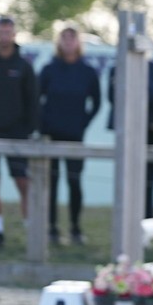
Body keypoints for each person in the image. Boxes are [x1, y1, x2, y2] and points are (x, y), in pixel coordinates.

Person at [38, 27, 101, 245]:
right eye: (64, 38)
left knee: (74, 182)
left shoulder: (87, 71)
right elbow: (37, 98)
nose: (68, 42)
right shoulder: (49, 69)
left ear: (78, 42)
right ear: (59, 42)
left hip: (75, 136)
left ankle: (75, 228)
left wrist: (83, 122)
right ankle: (52, 229)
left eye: (72, 38)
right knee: (52, 183)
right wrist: (44, 124)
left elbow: (96, 102)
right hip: (51, 135)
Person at [0, 16, 39, 253]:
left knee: (24, 184)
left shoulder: (23, 65)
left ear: (14, 34)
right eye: (1, 31)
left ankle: (31, 233)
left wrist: (28, 130)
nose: (4, 35)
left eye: (8, 31)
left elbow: (32, 101)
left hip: (17, 134)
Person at [107, 58, 153, 219]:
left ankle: (146, 219)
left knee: (147, 182)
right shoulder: (118, 67)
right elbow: (114, 97)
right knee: (125, 180)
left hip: (150, 133)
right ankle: (125, 220)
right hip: (126, 131)